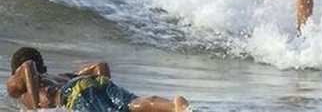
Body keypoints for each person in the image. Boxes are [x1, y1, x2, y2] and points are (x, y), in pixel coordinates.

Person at [5, 46, 189, 111]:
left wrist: (36, 106)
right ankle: (175, 106)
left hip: (74, 93)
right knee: (133, 104)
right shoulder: (62, 76)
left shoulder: (19, 85)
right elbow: (100, 66)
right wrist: (104, 95)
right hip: (93, 83)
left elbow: (28, 65)